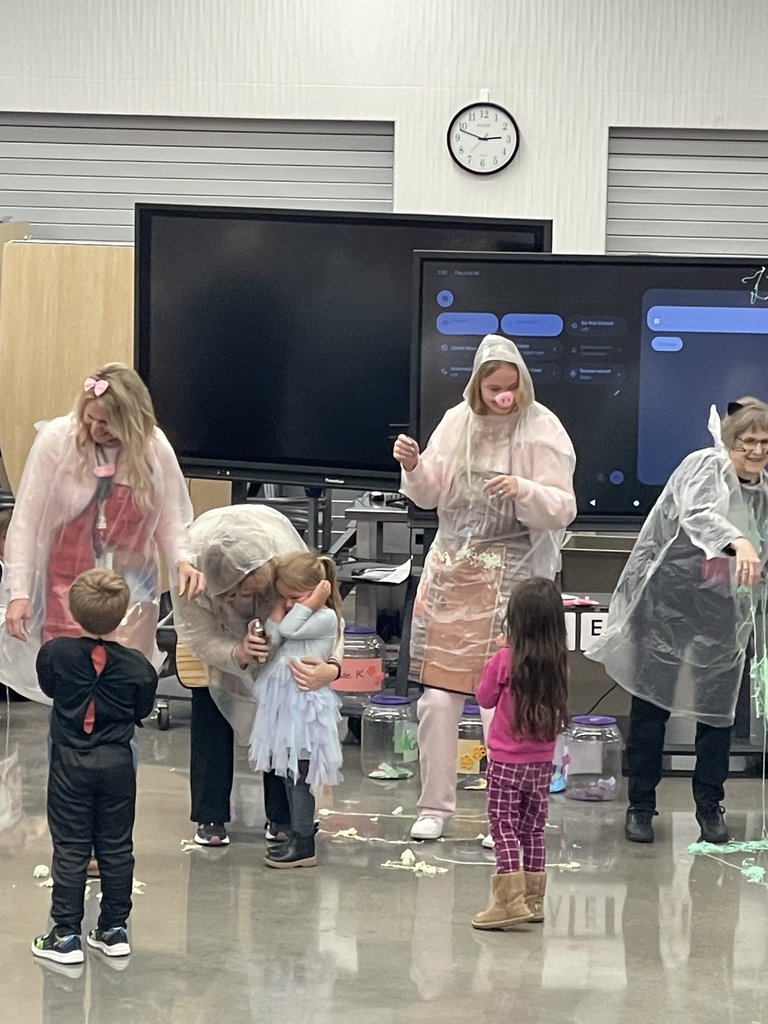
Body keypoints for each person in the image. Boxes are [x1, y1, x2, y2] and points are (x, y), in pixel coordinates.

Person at [393, 334, 576, 840]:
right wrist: (413, 465)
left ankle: (505, 809)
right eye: (495, 387)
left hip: (515, 575)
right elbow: (430, 493)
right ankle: (435, 806)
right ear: (478, 385)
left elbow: (564, 505)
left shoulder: (542, 428)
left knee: (504, 700)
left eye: (512, 388)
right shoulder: (456, 422)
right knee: (437, 700)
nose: (505, 397)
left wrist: (525, 489)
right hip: (455, 570)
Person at [587, 399, 768, 845]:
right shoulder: (703, 466)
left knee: (719, 711)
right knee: (651, 706)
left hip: (722, 610)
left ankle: (710, 806)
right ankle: (641, 806)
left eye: (765, 443)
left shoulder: (764, 490)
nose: (758, 450)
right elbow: (699, 515)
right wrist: (740, 542)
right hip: (667, 601)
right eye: (748, 442)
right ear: (729, 442)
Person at [1, 364, 205, 700]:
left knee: (122, 685)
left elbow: (171, 516)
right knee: (70, 685)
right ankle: (66, 753)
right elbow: (26, 521)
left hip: (132, 585)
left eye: (107, 423)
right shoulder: (56, 440)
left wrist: (183, 560)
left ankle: (120, 753)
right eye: (90, 419)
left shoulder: (154, 446)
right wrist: (18, 592)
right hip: (68, 583)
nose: (96, 429)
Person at [172, 504, 343, 847]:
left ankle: (283, 816)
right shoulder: (194, 572)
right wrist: (237, 651)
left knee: (283, 734)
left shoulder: (287, 562)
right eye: (233, 595)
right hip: (221, 652)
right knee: (210, 718)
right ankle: (210, 815)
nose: (243, 600)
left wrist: (332, 667)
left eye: (252, 592)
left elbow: (331, 618)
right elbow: (197, 634)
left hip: (286, 660)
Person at [31, 568, 158, 965]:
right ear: (122, 616)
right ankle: (114, 930)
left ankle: (66, 934)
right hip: (118, 763)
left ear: (73, 611)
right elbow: (142, 709)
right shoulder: (139, 666)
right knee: (117, 847)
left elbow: (50, 688)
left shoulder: (54, 653)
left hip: (70, 762)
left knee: (70, 847)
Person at [472, 578, 568, 930]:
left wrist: (500, 653)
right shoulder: (559, 664)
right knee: (533, 829)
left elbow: (484, 698)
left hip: (506, 761)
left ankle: (508, 901)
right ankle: (533, 899)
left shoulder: (504, 660)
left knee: (504, 828)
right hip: (542, 762)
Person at [249, 552, 344, 868]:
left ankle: (305, 842)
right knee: (287, 774)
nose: (288, 603)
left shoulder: (325, 617)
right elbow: (274, 635)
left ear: (319, 589)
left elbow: (287, 629)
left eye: (294, 596)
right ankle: (294, 832)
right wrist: (283, 606)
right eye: (283, 596)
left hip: (305, 705)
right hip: (284, 703)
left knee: (300, 774)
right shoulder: (302, 612)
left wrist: (312, 601)